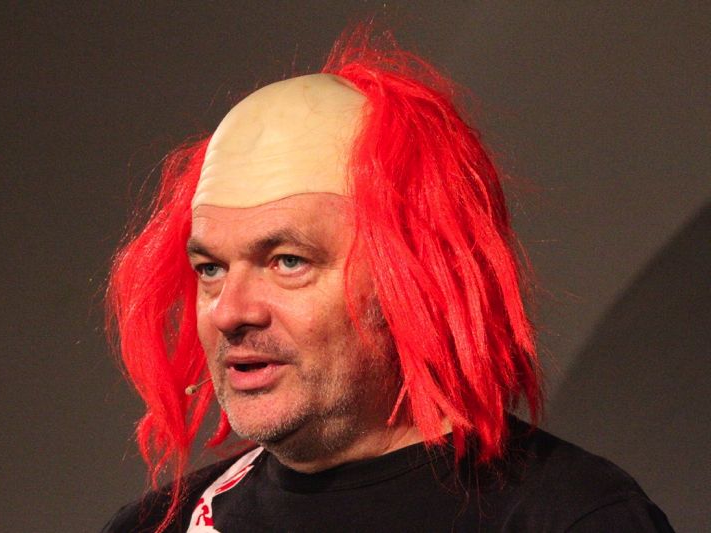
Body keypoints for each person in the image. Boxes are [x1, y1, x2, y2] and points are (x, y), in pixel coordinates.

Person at [103, 27, 672, 532]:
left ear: (413, 279)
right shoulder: (156, 526)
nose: (230, 312)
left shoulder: (569, 516)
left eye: (288, 261)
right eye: (211, 269)